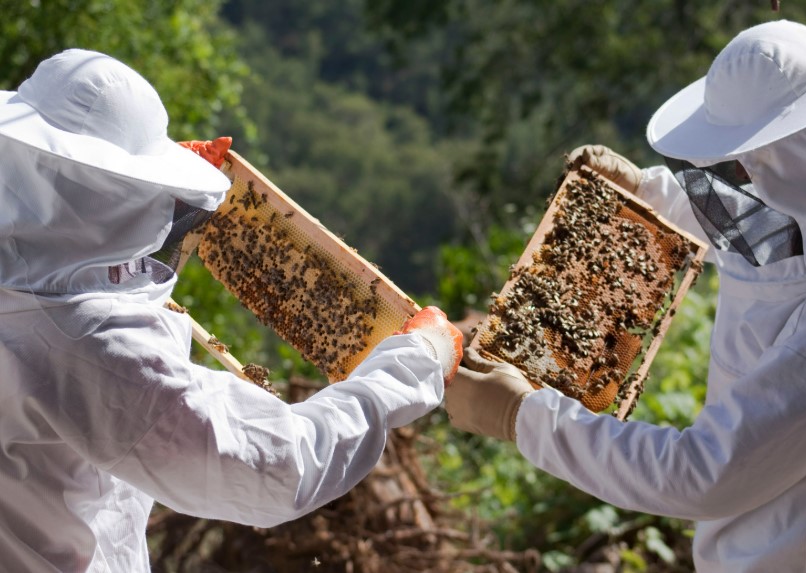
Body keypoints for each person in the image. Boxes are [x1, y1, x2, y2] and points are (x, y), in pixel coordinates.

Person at [0, 48, 463, 572]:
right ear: (122, 194)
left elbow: (80, 259)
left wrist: (153, 193)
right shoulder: (95, 344)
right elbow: (279, 466)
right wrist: (415, 362)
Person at [446, 19, 806, 572]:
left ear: (797, 157)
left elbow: (702, 472)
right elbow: (757, 224)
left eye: (745, 163)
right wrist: (647, 193)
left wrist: (523, 415)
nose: (732, 178)